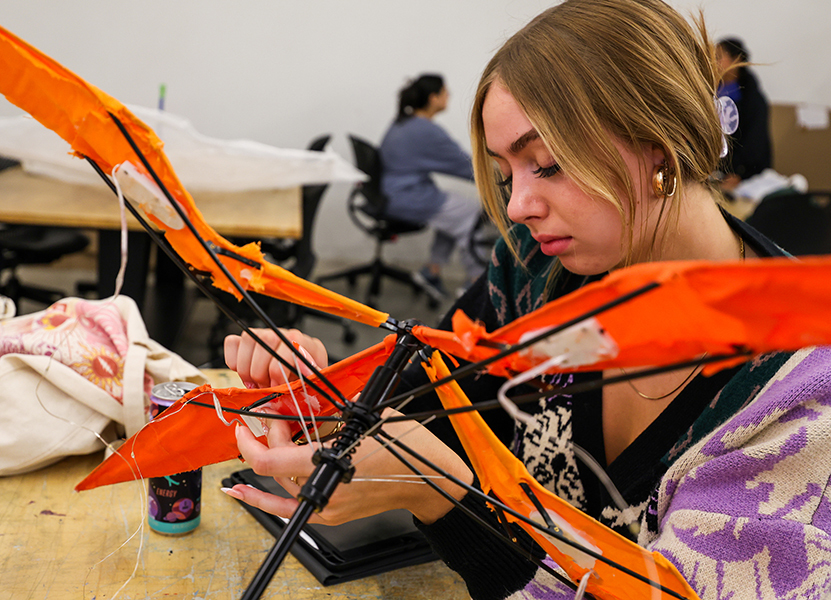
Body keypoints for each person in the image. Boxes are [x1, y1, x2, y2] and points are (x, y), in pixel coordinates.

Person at [221, 1, 831, 599]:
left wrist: (441, 494)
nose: (516, 206)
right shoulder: (535, 268)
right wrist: (331, 393)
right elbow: (438, 401)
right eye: (509, 173)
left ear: (658, 148)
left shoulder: (798, 402)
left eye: (547, 164)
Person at [380, 74, 484, 299]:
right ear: (433, 97)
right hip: (407, 197)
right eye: (445, 92)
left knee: (454, 214)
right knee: (473, 213)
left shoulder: (403, 121)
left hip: (393, 194)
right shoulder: (425, 130)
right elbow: (466, 165)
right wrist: (501, 176)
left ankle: (432, 270)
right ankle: (476, 282)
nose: (449, 96)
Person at [715, 37, 772, 192]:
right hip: (715, 173)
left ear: (736, 61)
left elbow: (755, 143)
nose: (712, 61)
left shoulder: (752, 100)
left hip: (743, 176)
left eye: (718, 57)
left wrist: (741, 174)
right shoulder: (710, 92)